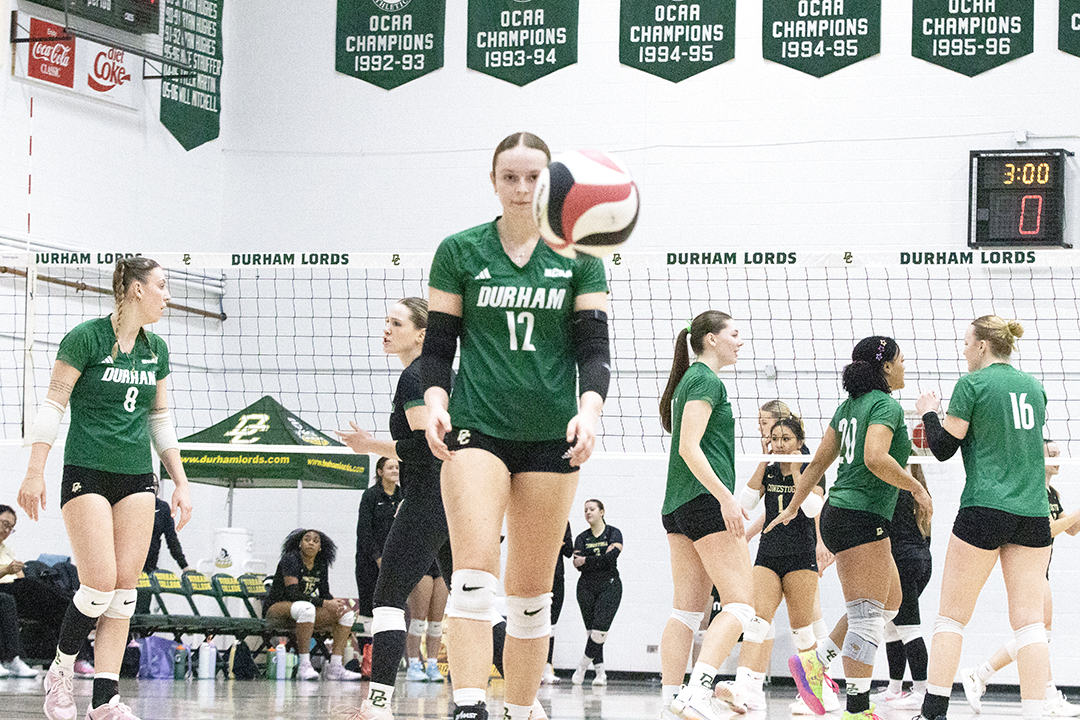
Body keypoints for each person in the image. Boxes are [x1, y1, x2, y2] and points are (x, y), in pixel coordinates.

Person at [421, 130, 611, 720]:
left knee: (531, 594)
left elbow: (594, 351)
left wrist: (589, 411)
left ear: (549, 182)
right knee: (474, 573)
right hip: (477, 428)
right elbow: (438, 348)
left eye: (533, 177)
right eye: (510, 177)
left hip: (553, 436)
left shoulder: (580, 256)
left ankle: (522, 708)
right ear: (494, 181)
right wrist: (435, 402)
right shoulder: (459, 250)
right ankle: (469, 705)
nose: (522, 188)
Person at [18, 256, 193, 720]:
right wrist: (34, 471)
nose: (167, 296)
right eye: (161, 286)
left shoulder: (156, 349)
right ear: (137, 289)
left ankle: (105, 701)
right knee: (97, 584)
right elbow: (53, 406)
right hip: (87, 470)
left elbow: (159, 419)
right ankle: (59, 672)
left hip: (136, 476)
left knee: (124, 592)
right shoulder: (86, 337)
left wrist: (180, 481)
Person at [338, 298, 510, 720]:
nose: (386, 329)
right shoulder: (440, 376)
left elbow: (425, 446)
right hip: (460, 497)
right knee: (474, 602)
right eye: (386, 321)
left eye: (396, 323)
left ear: (422, 334)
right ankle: (527, 702)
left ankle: (379, 705)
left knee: (387, 599)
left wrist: (370, 445)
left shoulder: (416, 377)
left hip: (431, 497)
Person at [769, 335, 932, 720]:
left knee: (890, 604)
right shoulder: (886, 405)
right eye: (901, 359)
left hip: (844, 514)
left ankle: (815, 663)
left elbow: (816, 464)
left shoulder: (847, 407)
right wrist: (916, 488)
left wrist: (793, 506)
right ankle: (857, 708)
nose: (905, 365)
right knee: (867, 616)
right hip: (860, 517)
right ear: (886, 367)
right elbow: (875, 458)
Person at [914, 316, 1051, 720]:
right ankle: (1035, 713)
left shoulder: (971, 384)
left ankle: (933, 712)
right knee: (1030, 624)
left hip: (984, 507)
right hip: (1033, 512)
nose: (963, 350)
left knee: (951, 617)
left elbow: (942, 448)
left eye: (965, 343)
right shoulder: (1035, 387)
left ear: (982, 346)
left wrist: (929, 412)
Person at [656, 310, 756, 720]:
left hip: (678, 506)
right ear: (711, 339)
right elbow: (688, 447)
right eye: (734, 334)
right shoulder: (705, 380)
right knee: (741, 605)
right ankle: (697, 691)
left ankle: (672, 700)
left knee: (686, 611)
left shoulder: (689, 380)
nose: (740, 341)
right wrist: (726, 498)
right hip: (703, 502)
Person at [959, 438, 1080, 717]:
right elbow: (1047, 529)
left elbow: (1071, 529)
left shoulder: (1052, 493)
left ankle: (984, 675)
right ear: (1038, 456)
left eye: (1059, 453)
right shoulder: (1033, 489)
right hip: (1030, 566)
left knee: (1041, 635)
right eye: (1052, 454)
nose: (1058, 458)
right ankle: (992, 678)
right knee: (1039, 634)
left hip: (1042, 565)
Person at [731, 414, 826, 712]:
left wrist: (797, 472)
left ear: (800, 441)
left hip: (801, 556)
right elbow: (745, 503)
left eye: (786, 439)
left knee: (803, 631)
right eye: (775, 439)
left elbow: (812, 509)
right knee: (757, 623)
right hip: (769, 555)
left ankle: (814, 693)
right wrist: (763, 460)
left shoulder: (812, 469)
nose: (780, 444)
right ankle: (740, 689)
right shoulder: (769, 471)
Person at [870, 462, 932, 711]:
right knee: (892, 628)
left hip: (903, 563)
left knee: (908, 628)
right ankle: (894, 689)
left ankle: (922, 691)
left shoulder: (895, 492)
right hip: (921, 561)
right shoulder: (921, 494)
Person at [263, 528, 362, 682]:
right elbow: (292, 593)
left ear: (320, 547)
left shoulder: (320, 563)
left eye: (316, 541)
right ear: (300, 544)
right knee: (307, 608)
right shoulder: (291, 559)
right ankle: (304, 666)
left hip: (302, 612)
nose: (311, 543)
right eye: (307, 539)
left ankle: (335, 667)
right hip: (277, 609)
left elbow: (324, 593)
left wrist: (334, 603)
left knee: (346, 613)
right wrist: (324, 603)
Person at [571, 499, 623, 686]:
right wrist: (599, 558)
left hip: (609, 585)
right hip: (586, 587)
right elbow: (577, 564)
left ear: (602, 512)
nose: (588, 512)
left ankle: (582, 667)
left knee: (599, 633)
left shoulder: (613, 533)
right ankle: (601, 673)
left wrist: (587, 559)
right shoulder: (581, 537)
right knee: (591, 632)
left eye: (592, 509)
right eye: (585, 510)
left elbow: (611, 558)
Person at [355, 457, 403, 625]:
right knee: (369, 604)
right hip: (369, 561)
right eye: (390, 468)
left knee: (392, 606)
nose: (395, 471)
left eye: (397, 467)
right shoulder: (370, 495)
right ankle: (366, 641)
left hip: (395, 561)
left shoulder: (403, 495)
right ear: (380, 471)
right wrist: (378, 557)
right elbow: (364, 531)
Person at [0, 505, 41, 678]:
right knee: (5, 600)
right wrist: (7, 570)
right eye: (4, 524)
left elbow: (21, 578)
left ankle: (78, 657)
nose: (7, 530)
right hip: (3, 589)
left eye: (11, 528)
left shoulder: (7, 550)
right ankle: (12, 659)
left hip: (12, 589)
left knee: (37, 591)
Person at [404, 561, 448, 682]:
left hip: (440, 565)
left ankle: (432, 665)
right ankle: (413, 665)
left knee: (436, 623)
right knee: (418, 621)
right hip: (421, 565)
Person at [542, 523, 573, 685]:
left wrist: (559, 543)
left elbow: (569, 551)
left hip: (557, 578)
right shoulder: (534, 517)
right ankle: (533, 669)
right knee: (535, 622)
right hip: (538, 577)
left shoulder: (564, 521)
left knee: (551, 625)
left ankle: (547, 668)